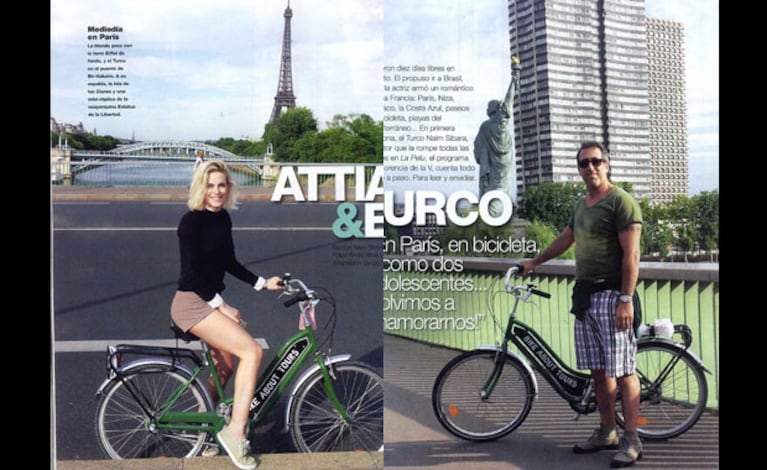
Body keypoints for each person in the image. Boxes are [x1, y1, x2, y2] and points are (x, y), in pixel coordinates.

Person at [519, 142, 643, 468]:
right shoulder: (582, 205)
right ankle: (607, 432)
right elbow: (565, 239)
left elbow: (631, 256)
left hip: (614, 295)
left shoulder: (621, 202)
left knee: (625, 371)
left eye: (596, 161)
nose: (590, 168)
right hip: (585, 298)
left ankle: (632, 440)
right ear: (579, 169)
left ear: (607, 164)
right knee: (599, 374)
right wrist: (535, 261)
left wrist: (626, 299)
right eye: (584, 163)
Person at [170, 159, 282, 469]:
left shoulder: (223, 220)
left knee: (226, 367)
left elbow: (229, 261)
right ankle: (235, 432)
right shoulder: (190, 223)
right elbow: (191, 276)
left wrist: (262, 283)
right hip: (191, 304)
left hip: (207, 301)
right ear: (200, 188)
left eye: (222, 185)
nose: (217, 191)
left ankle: (201, 428)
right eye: (210, 185)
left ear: (228, 188)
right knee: (252, 352)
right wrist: (223, 306)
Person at [473, 57, 521, 217]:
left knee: (493, 188)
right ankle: (496, 215)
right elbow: (510, 99)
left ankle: (492, 214)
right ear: (498, 109)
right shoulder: (501, 120)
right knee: (502, 187)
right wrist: (515, 76)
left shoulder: (484, 127)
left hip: (491, 165)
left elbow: (477, 153)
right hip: (504, 163)